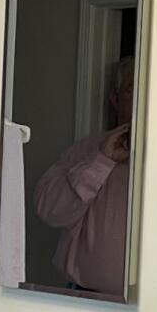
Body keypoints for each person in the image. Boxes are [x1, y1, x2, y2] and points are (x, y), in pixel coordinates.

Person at [34, 61, 134, 295]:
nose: (144, 97)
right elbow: (49, 211)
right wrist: (102, 161)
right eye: (132, 88)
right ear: (116, 99)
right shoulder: (88, 149)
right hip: (86, 300)